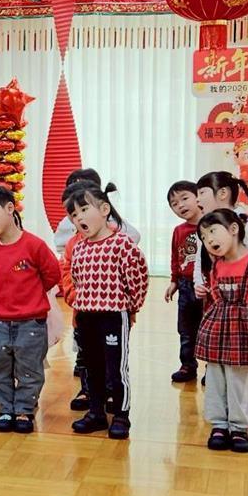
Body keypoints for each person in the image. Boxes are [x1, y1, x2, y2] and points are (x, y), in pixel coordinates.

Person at [0, 186, 60, 434]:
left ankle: (24, 409)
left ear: (10, 208)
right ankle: (6, 407)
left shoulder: (34, 245)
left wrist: (31, 294)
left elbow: (52, 274)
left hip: (31, 323)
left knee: (29, 369)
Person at [65, 183, 148, 440]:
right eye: (74, 214)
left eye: (84, 210)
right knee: (92, 366)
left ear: (104, 210)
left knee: (116, 368)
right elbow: (77, 280)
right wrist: (80, 307)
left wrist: (131, 308)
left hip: (113, 316)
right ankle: (96, 412)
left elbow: (138, 279)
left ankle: (121, 415)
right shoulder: (79, 248)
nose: (79, 217)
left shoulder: (122, 244)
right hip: (86, 316)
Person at [196, 209, 248, 453]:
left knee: (240, 379)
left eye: (212, 231)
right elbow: (215, 293)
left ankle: (238, 427)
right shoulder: (217, 265)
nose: (208, 239)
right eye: (204, 236)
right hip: (218, 326)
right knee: (215, 376)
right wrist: (206, 292)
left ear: (233, 229)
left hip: (246, 329)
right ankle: (219, 425)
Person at [195, 170, 248, 421]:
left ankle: (247, 403)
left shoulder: (245, 224)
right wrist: (200, 283)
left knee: (243, 360)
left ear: (223, 193)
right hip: (219, 302)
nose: (197, 199)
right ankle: (222, 408)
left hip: (245, 306)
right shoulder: (207, 226)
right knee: (218, 354)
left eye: (201, 193)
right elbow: (202, 261)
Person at [164, 181, 204, 383]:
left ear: (198, 197)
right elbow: (175, 257)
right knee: (186, 329)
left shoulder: (212, 225)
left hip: (206, 287)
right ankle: (188, 365)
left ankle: (213, 369)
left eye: (184, 198)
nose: (180, 205)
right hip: (185, 286)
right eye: (174, 203)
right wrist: (174, 281)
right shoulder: (179, 230)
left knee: (209, 329)